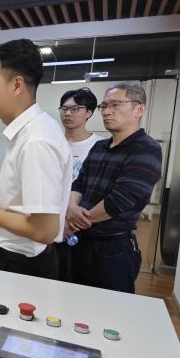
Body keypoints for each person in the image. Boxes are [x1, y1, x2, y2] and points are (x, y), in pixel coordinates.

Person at [0, 39, 72, 280]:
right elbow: (19, 199)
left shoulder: (36, 140)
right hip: (12, 258)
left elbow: (44, 230)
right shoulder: (29, 132)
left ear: (17, 85)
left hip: (23, 265)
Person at [67, 82, 162, 293]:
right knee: (72, 300)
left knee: (110, 308)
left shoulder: (147, 149)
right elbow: (80, 182)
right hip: (80, 241)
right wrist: (72, 207)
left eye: (116, 104)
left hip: (113, 247)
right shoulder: (100, 146)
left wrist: (75, 221)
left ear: (139, 109)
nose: (107, 111)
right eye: (104, 106)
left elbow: (119, 200)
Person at [55, 88, 103, 282]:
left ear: (89, 113)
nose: (67, 113)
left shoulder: (100, 146)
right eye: (64, 108)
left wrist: (75, 221)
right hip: (51, 221)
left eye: (75, 109)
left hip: (83, 224)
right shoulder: (52, 142)